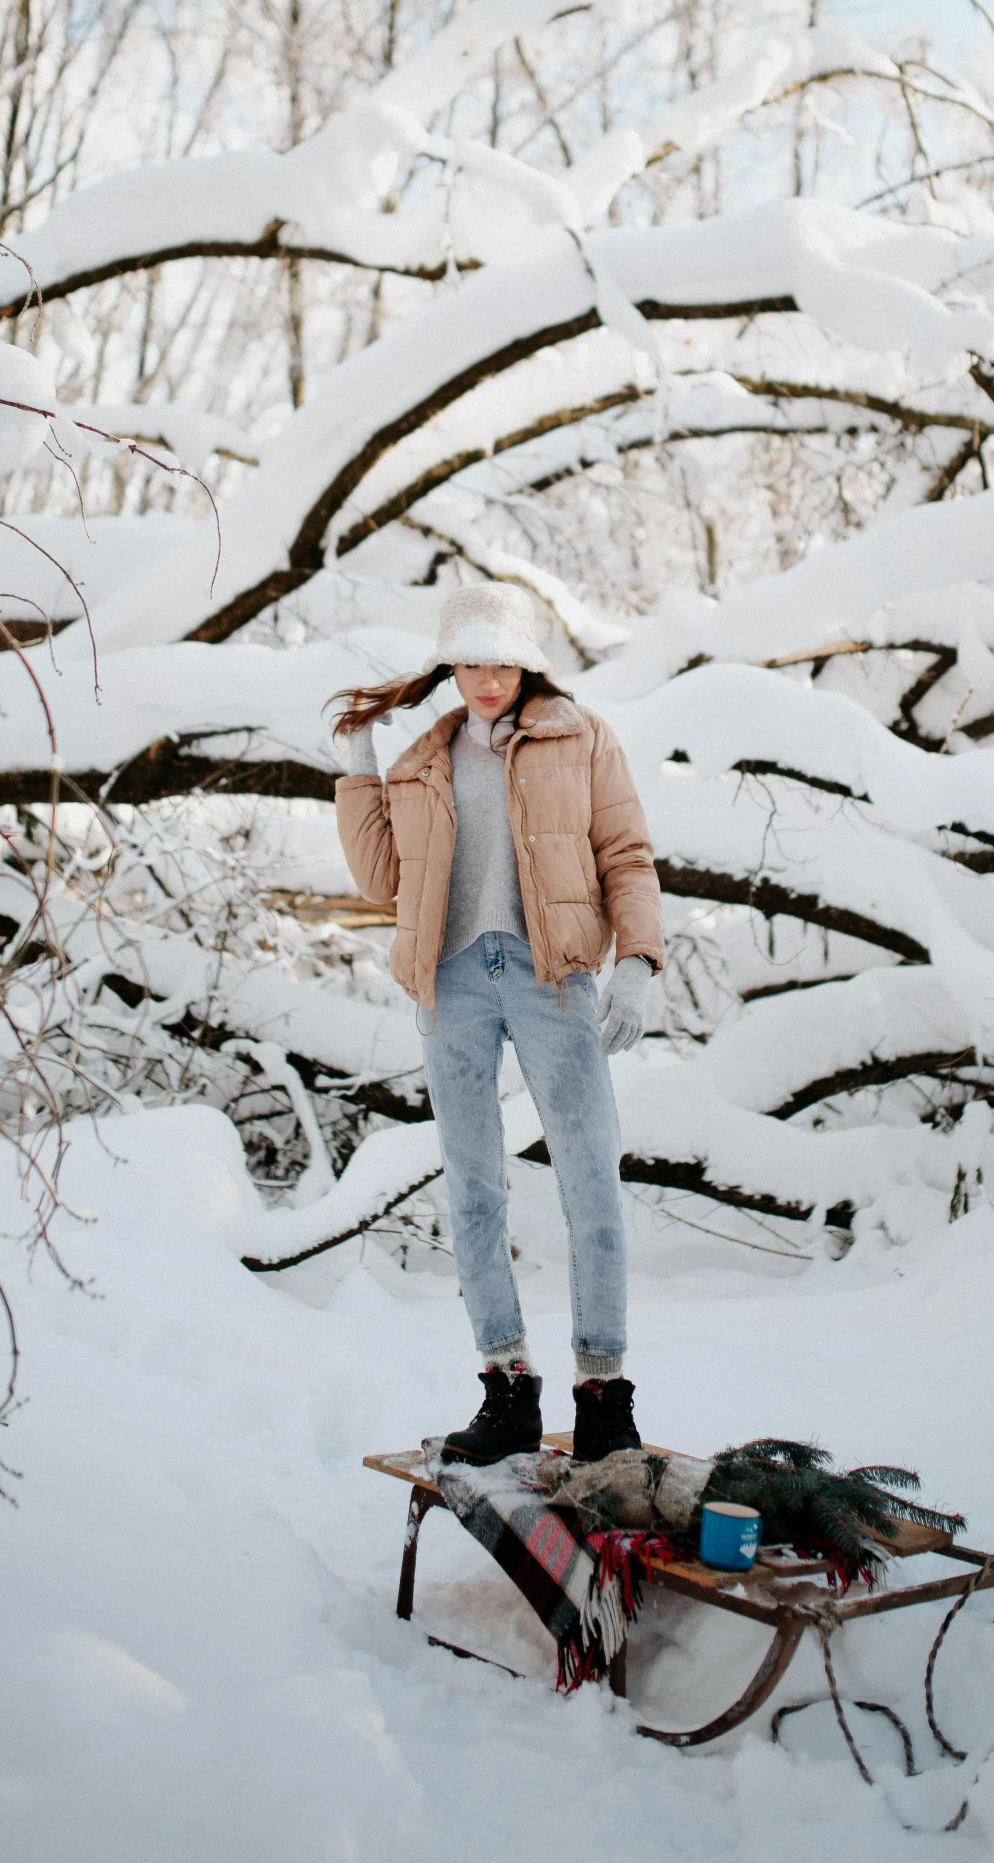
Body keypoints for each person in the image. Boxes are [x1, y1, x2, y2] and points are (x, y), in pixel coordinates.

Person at [329, 583, 664, 1466]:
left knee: (590, 1175)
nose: (485, 679)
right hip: (451, 984)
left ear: (528, 661)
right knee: (474, 1188)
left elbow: (625, 854)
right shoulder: (422, 761)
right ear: (450, 664)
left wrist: (635, 962)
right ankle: (505, 1387)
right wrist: (359, 762)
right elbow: (377, 879)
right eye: (469, 661)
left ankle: (603, 1393)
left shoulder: (580, 737)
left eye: (501, 660)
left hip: (550, 978)